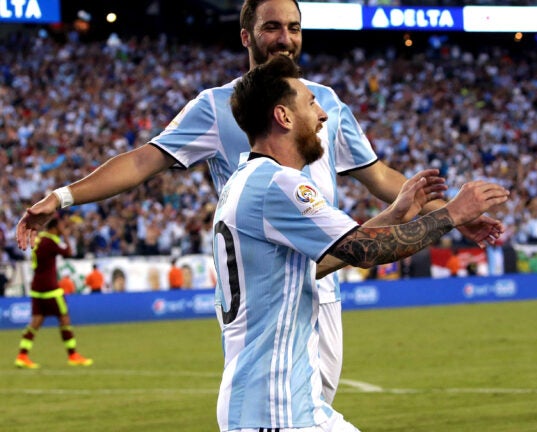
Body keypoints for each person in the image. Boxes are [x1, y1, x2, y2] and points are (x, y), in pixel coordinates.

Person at [15, 0, 501, 403]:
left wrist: (451, 217)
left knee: (308, 412)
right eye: (272, 27)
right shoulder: (217, 106)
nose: (285, 38)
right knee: (282, 411)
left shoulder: (324, 103)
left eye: (294, 27)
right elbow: (143, 160)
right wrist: (63, 196)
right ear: (246, 35)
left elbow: (379, 177)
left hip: (322, 283)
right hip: (264, 292)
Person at [214, 55, 508, 431]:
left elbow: (320, 262)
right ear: (283, 117)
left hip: (289, 405)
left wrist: (395, 215)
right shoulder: (279, 184)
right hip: (273, 411)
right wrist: (452, 214)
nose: (322, 115)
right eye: (311, 103)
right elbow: (366, 251)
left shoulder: (244, 182)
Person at [14, 217, 93, 369]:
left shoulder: (40, 239)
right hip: (50, 289)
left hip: (37, 288)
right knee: (64, 319)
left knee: (36, 322)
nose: (63, 229)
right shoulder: (50, 241)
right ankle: (73, 355)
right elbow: (68, 252)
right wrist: (65, 236)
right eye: (61, 227)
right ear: (55, 228)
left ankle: (22, 356)